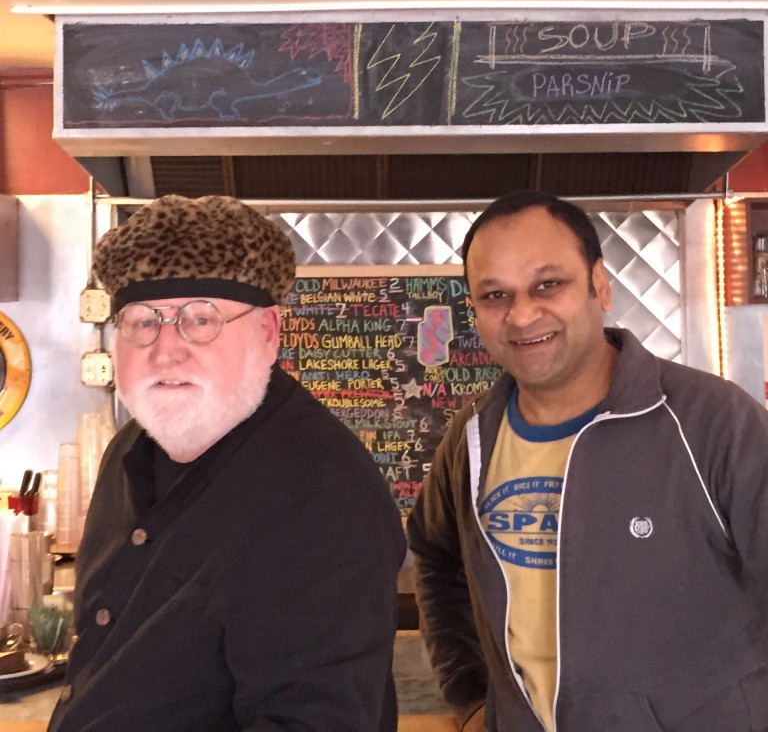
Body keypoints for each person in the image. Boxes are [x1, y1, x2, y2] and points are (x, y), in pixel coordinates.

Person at [407, 190, 768, 732]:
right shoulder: (472, 437)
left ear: (600, 284)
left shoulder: (714, 422)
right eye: (495, 295)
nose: (523, 314)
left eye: (548, 284)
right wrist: (473, 696)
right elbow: (435, 558)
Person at [48, 194, 405, 732]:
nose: (165, 350)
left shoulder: (322, 492)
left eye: (201, 320)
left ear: (267, 333)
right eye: (143, 321)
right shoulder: (127, 451)